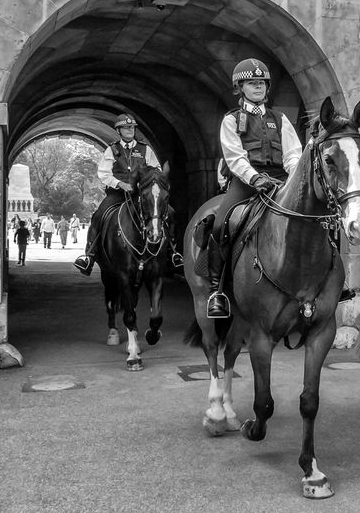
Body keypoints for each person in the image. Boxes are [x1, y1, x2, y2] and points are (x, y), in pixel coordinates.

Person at [203, 58, 303, 319]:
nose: (258, 87)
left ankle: (332, 282)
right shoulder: (231, 120)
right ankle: (217, 291)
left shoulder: (279, 119)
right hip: (246, 183)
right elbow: (235, 157)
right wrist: (255, 178)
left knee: (318, 216)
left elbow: (294, 154)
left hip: (281, 181)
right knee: (221, 224)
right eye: (252, 83)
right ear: (240, 87)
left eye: (261, 83)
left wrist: (293, 178)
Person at [74, 114, 184, 275]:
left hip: (141, 194)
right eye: (126, 127)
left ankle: (173, 253)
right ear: (118, 130)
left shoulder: (145, 149)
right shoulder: (112, 150)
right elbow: (103, 173)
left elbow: (156, 169)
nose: (130, 130)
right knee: (98, 215)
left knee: (171, 213)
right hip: (118, 194)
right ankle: (89, 255)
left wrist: (150, 182)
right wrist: (120, 184)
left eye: (132, 127)